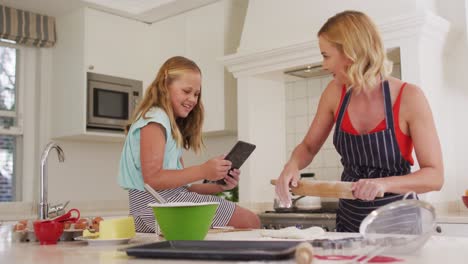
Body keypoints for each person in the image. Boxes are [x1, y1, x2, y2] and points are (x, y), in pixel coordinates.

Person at [275, 11, 444, 232]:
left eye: (326, 55)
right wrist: (292, 165)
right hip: (349, 221)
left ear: (350, 53)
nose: (324, 65)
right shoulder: (335, 93)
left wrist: (383, 184)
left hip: (399, 225)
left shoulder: (409, 97)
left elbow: (435, 176)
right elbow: (308, 146)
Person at [118, 56, 260, 233]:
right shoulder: (154, 121)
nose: (193, 99)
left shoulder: (166, 124)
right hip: (157, 208)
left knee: (244, 222)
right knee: (250, 220)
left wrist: (219, 186)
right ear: (165, 85)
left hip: (157, 207)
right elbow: (153, 180)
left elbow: (180, 188)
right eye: (186, 91)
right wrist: (203, 170)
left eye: (196, 94)